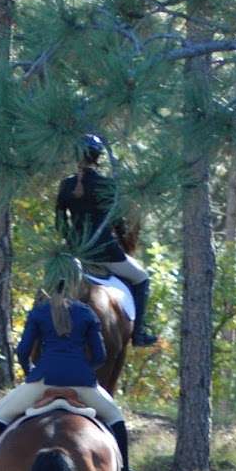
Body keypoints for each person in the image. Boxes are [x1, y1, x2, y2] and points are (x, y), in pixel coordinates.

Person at [0, 256, 147, 471]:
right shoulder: (86, 314)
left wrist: (30, 373)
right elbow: (100, 355)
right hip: (82, 383)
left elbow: (23, 351)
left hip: (43, 380)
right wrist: (86, 373)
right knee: (115, 418)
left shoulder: (40, 311)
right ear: (76, 280)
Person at [55, 134, 159, 349]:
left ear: (76, 157)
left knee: (50, 288)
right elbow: (119, 225)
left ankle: (33, 327)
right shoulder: (108, 185)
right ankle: (138, 334)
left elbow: (60, 223)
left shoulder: (66, 186)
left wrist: (73, 242)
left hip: (74, 253)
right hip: (106, 254)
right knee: (141, 279)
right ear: (98, 157)